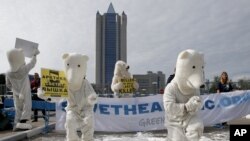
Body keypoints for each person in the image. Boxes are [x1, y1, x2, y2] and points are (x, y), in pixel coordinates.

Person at [6, 48, 39, 131]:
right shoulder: (23, 69)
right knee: (26, 106)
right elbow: (32, 63)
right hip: (25, 92)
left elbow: (8, 85)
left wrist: (15, 90)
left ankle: (15, 126)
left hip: (16, 94)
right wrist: (34, 55)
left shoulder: (8, 73)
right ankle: (23, 123)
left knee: (18, 109)